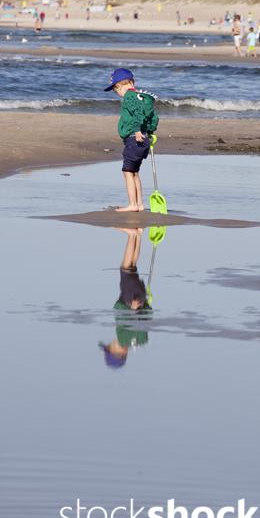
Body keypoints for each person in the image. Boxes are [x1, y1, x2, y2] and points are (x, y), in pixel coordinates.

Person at [104, 67, 159, 212]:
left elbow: (137, 115)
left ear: (122, 85)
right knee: (134, 172)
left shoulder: (129, 97)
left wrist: (136, 130)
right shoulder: (142, 97)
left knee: (127, 171)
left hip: (134, 139)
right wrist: (150, 132)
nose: (118, 93)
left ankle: (133, 204)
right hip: (143, 140)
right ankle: (139, 204)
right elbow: (153, 116)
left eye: (116, 90)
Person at [99, 228, 151, 368]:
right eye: (110, 347)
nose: (111, 343)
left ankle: (138, 235)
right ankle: (132, 235)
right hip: (130, 300)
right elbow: (129, 320)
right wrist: (134, 310)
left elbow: (145, 323)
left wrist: (145, 304)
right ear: (119, 352)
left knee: (133, 268)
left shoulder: (139, 342)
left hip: (140, 297)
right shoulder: (124, 340)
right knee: (125, 267)